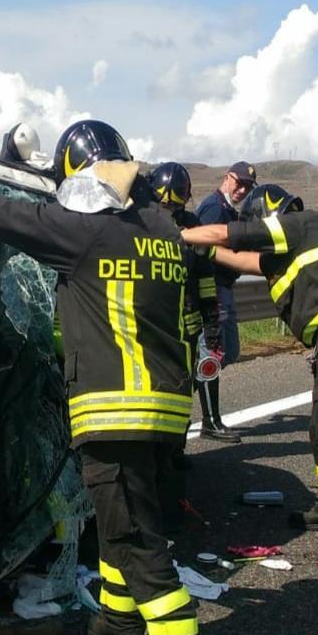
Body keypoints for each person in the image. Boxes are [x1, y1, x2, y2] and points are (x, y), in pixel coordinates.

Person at [0, 121, 206, 635]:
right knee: (123, 522)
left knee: (133, 534)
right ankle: (121, 619)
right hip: (163, 408)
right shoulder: (162, 230)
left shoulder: (87, 234)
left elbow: (10, 218)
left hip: (117, 408)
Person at [181, 184, 318, 563]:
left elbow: (225, 233)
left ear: (269, 214)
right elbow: (247, 261)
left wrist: (174, 235)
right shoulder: (303, 240)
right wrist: (210, 252)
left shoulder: (299, 224)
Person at [145, 162, 220, 534]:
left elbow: (206, 280)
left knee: (180, 394)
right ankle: (153, 455)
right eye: (163, 208)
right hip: (151, 329)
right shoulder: (137, 222)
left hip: (185, 331)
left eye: (174, 209)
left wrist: (212, 323)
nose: (168, 214)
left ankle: (175, 451)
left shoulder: (194, 228)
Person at [191, 160, 256, 441]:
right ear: (227, 178)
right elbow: (199, 248)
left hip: (224, 286)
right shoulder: (215, 207)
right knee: (212, 353)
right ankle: (210, 421)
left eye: (248, 186)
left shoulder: (227, 209)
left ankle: (193, 393)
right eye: (239, 183)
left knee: (227, 353)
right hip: (212, 288)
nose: (242, 189)